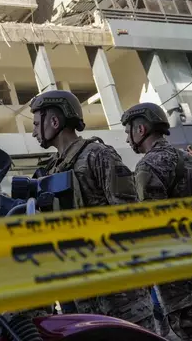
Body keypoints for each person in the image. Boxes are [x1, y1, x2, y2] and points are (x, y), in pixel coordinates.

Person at [30, 90, 153, 331]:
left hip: (119, 297)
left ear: (54, 121)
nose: (34, 131)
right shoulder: (51, 171)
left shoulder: (98, 155)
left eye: (36, 124)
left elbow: (130, 217)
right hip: (79, 298)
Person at [122, 102, 192, 340]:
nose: (127, 138)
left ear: (141, 130)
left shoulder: (148, 165)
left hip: (183, 284)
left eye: (128, 131)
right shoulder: (189, 158)